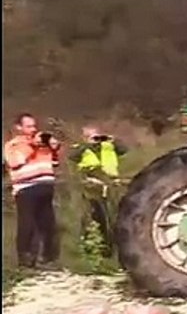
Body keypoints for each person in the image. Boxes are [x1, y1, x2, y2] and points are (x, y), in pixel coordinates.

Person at [4, 113, 61, 268]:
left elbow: (54, 162)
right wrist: (33, 145)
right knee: (27, 224)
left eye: (34, 126)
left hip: (45, 186)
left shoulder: (42, 143)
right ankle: (26, 259)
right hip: (26, 188)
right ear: (18, 128)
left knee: (48, 224)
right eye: (28, 126)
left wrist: (54, 148)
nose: (33, 129)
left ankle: (48, 258)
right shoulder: (13, 144)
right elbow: (16, 162)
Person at [69, 125, 128, 257]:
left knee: (113, 217)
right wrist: (87, 144)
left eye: (97, 135)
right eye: (93, 136)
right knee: (94, 217)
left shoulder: (108, 146)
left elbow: (124, 150)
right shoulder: (82, 149)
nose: (97, 139)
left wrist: (113, 140)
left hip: (111, 184)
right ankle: (92, 249)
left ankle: (111, 249)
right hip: (92, 185)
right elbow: (73, 156)